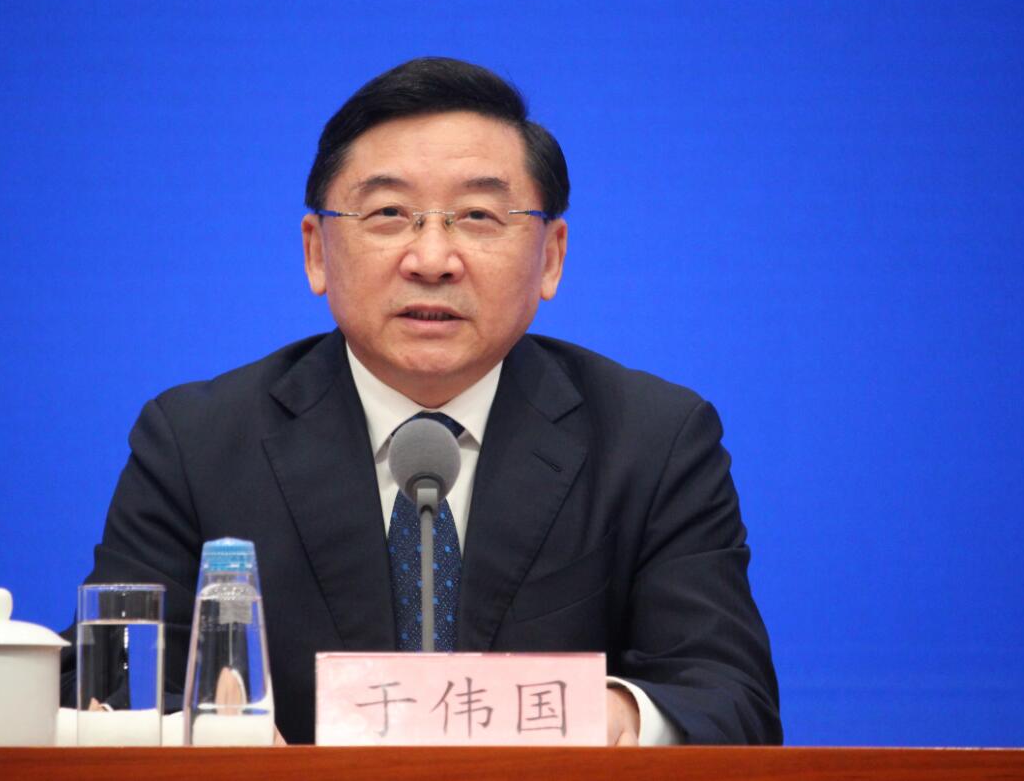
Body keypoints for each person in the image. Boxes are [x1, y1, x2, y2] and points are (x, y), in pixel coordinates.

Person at [60, 57, 781, 746]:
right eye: (388, 213)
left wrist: (619, 713)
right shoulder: (197, 444)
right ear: (316, 251)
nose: (432, 259)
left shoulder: (653, 443)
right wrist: (207, 740)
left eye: (478, 216)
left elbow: (729, 696)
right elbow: (100, 686)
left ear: (552, 257)